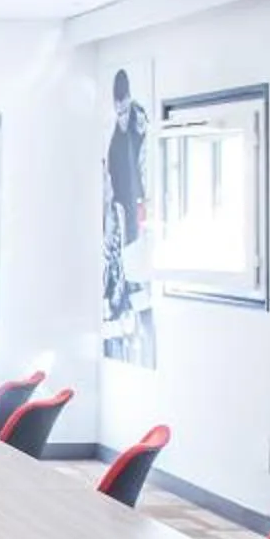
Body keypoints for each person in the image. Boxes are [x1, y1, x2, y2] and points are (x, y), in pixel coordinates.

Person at [104, 69, 150, 339]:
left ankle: (139, 319)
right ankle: (125, 318)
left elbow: (143, 163)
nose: (121, 117)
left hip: (135, 205)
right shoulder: (114, 136)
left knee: (134, 261)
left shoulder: (138, 121)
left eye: (124, 110)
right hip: (121, 206)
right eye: (117, 111)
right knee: (121, 261)